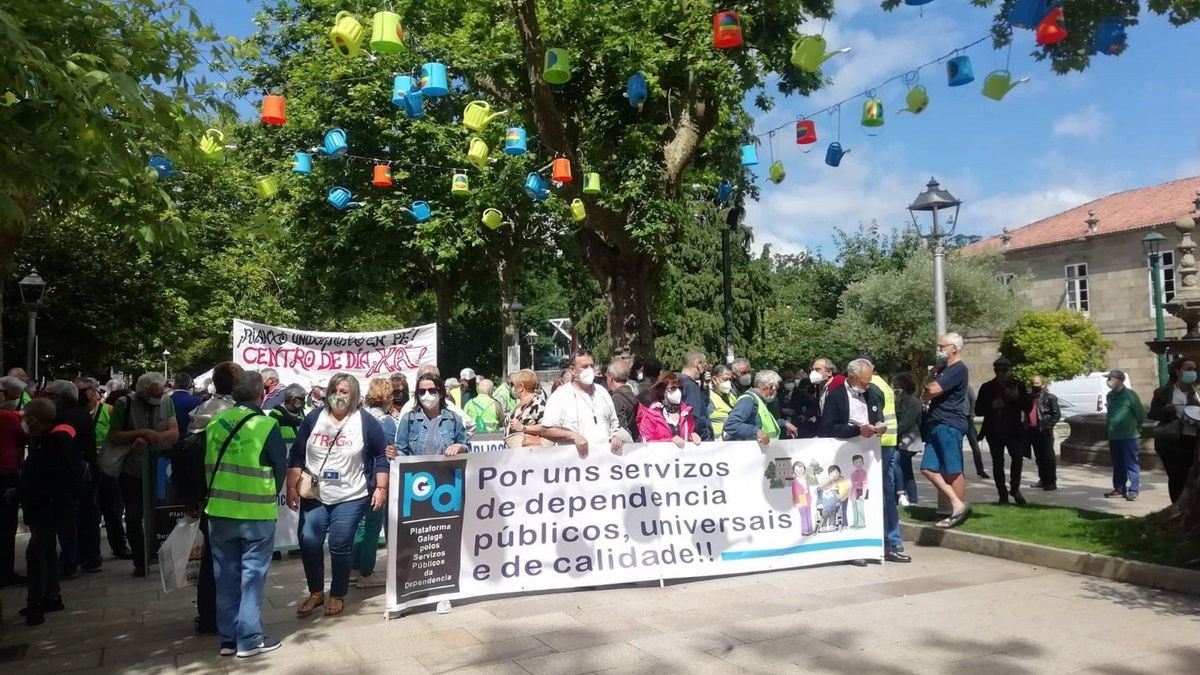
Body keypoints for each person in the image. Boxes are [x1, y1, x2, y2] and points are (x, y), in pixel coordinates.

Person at [286, 373, 388, 618]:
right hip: (315, 492)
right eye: (336, 390)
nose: (339, 396)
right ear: (328, 392)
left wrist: (381, 488)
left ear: (353, 395)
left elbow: (381, 456)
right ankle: (316, 593)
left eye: (345, 391)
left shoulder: (365, 422)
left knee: (339, 544)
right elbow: (298, 454)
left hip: (352, 495)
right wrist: (291, 486)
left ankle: (337, 594)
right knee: (309, 542)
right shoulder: (313, 418)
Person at [205, 371, 287, 658]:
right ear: (260, 394)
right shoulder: (266, 425)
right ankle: (249, 639)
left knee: (225, 577)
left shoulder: (215, 423)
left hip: (218, 511)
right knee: (252, 577)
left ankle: (228, 640)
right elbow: (279, 469)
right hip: (256, 513)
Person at [185, 361, 242, 636]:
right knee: (235, 560)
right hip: (233, 497)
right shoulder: (237, 415)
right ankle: (231, 615)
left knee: (211, 559)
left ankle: (208, 616)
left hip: (205, 496)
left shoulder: (198, 411)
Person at [18, 399, 84, 625]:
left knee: (36, 553)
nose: (23, 421)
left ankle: (35, 602)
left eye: (25, 417)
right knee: (45, 551)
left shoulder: (55, 440)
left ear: (34, 420)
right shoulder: (49, 438)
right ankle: (52, 595)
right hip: (47, 505)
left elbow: (55, 476)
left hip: (49, 506)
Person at [106, 372, 178, 575]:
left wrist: (154, 437)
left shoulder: (166, 401)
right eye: (153, 394)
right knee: (134, 514)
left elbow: (174, 431)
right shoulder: (124, 403)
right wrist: (139, 434)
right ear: (142, 392)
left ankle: (164, 556)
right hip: (132, 469)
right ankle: (139, 559)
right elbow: (113, 435)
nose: (158, 398)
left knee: (164, 512)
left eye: (160, 393)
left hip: (160, 467)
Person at [42, 380, 98, 577]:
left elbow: (65, 448)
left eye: (50, 396)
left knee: (68, 521)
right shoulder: (83, 414)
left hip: (69, 477)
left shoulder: (63, 419)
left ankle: (69, 562)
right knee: (87, 516)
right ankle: (91, 558)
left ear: (59, 398)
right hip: (87, 472)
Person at [920, 333, 971, 529]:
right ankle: (957, 504)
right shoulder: (943, 370)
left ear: (954, 349)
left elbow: (931, 391)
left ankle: (957, 511)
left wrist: (930, 385)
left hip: (949, 423)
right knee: (927, 468)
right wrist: (932, 378)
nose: (938, 350)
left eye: (942, 347)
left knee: (952, 469)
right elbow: (925, 393)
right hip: (936, 423)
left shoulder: (957, 369)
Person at [541, 352, 625, 458]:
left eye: (592, 366)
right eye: (585, 367)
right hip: (576, 464)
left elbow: (614, 423)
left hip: (605, 460)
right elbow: (546, 430)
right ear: (572, 370)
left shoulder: (602, 392)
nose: (590, 370)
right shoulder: (559, 396)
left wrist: (615, 436)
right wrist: (573, 436)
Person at [351, 378, 391, 589]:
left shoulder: (359, 418)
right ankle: (367, 572)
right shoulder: (387, 422)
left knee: (361, 524)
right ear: (388, 397)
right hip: (378, 479)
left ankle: (355, 568)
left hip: (360, 477)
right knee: (373, 526)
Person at [976, 357, 1031, 505]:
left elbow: (1028, 408)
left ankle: (1015, 489)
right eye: (997, 370)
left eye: (1003, 370)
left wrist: (1017, 398)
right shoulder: (987, 387)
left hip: (1013, 430)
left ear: (1009, 370)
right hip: (994, 431)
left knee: (1017, 459)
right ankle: (1002, 493)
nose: (1000, 373)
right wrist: (992, 407)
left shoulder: (1018, 385)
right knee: (997, 463)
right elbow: (978, 410)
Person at [1148, 358, 1199, 503]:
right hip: (1172, 441)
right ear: (1177, 371)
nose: (1192, 372)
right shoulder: (1164, 392)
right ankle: (1177, 506)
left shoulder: (1196, 391)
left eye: (1194, 369)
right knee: (1177, 476)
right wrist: (1165, 410)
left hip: (1194, 439)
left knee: (1192, 476)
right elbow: (1152, 414)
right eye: (1188, 369)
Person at [388, 373, 470, 458]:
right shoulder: (408, 419)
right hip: (418, 470)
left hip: (446, 469)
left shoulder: (454, 419)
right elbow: (401, 451)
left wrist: (460, 447)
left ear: (441, 393)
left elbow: (466, 448)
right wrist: (394, 453)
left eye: (432, 390)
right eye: (422, 391)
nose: (426, 395)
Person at [0, 379, 27, 588]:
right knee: (6, 524)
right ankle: (5, 572)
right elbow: (24, 437)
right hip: (6, 473)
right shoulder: (7, 417)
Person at [1104, 370, 1145, 501]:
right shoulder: (1110, 395)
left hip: (1129, 436)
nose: (1108, 381)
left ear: (1119, 380)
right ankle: (1119, 488)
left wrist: (1137, 427)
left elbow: (1140, 414)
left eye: (1111, 379)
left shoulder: (1130, 395)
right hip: (1114, 436)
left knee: (1131, 464)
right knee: (1117, 464)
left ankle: (1133, 490)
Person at [637, 372, 703, 447]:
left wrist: (692, 436)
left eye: (680, 388)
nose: (678, 392)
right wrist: (669, 442)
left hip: (683, 457)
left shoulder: (687, 413)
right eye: (673, 388)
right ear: (663, 392)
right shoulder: (651, 416)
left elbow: (688, 435)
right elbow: (645, 442)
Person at [723, 370, 784, 445]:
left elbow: (761, 423)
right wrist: (756, 432)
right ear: (763, 386)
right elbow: (731, 425)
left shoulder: (760, 401)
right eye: (774, 389)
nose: (774, 392)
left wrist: (784, 423)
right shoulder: (748, 400)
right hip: (751, 451)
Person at [1027, 375, 1061, 491]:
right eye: (1032, 383)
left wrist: (1048, 426)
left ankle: (1051, 482)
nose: (1034, 385)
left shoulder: (1050, 397)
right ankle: (1043, 479)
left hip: (1045, 431)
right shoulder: (1029, 397)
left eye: (1036, 383)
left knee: (1048, 458)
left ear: (1042, 384)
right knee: (1039, 457)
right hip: (1032, 430)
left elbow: (1056, 414)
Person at [892, 373, 922, 506]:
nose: (895, 388)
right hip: (900, 439)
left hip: (910, 440)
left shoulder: (914, 402)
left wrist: (894, 432)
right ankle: (913, 500)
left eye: (897, 386)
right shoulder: (898, 401)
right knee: (906, 469)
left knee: (896, 462)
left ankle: (900, 493)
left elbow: (908, 421)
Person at [505, 369, 549, 448]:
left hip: (530, 453)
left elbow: (547, 428)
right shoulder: (520, 403)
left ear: (521, 387)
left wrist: (523, 428)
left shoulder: (537, 403)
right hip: (516, 453)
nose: (512, 388)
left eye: (513, 385)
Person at [677, 351, 714, 442]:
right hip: (697, 439)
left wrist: (704, 385)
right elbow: (696, 415)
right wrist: (706, 436)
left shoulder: (676, 381)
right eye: (704, 366)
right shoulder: (691, 386)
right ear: (698, 364)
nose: (704, 370)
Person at [606, 359, 640, 442]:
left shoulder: (616, 399)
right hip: (637, 441)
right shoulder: (634, 395)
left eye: (606, 375)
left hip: (626, 447)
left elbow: (620, 428)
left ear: (611, 376)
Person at [169, 374, 202, 446]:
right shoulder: (196, 401)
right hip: (188, 444)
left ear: (174, 384)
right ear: (190, 385)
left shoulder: (166, 400)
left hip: (167, 442)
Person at [965, 386, 989, 480]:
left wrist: (972, 416)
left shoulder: (968, 388)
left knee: (975, 445)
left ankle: (980, 469)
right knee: (957, 446)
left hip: (969, 418)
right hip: (958, 418)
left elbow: (973, 401)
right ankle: (958, 470)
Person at [708, 365, 735, 438]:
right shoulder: (708, 396)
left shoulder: (730, 394)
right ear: (714, 379)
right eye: (725, 379)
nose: (728, 383)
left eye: (730, 380)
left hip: (730, 437)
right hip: (716, 439)